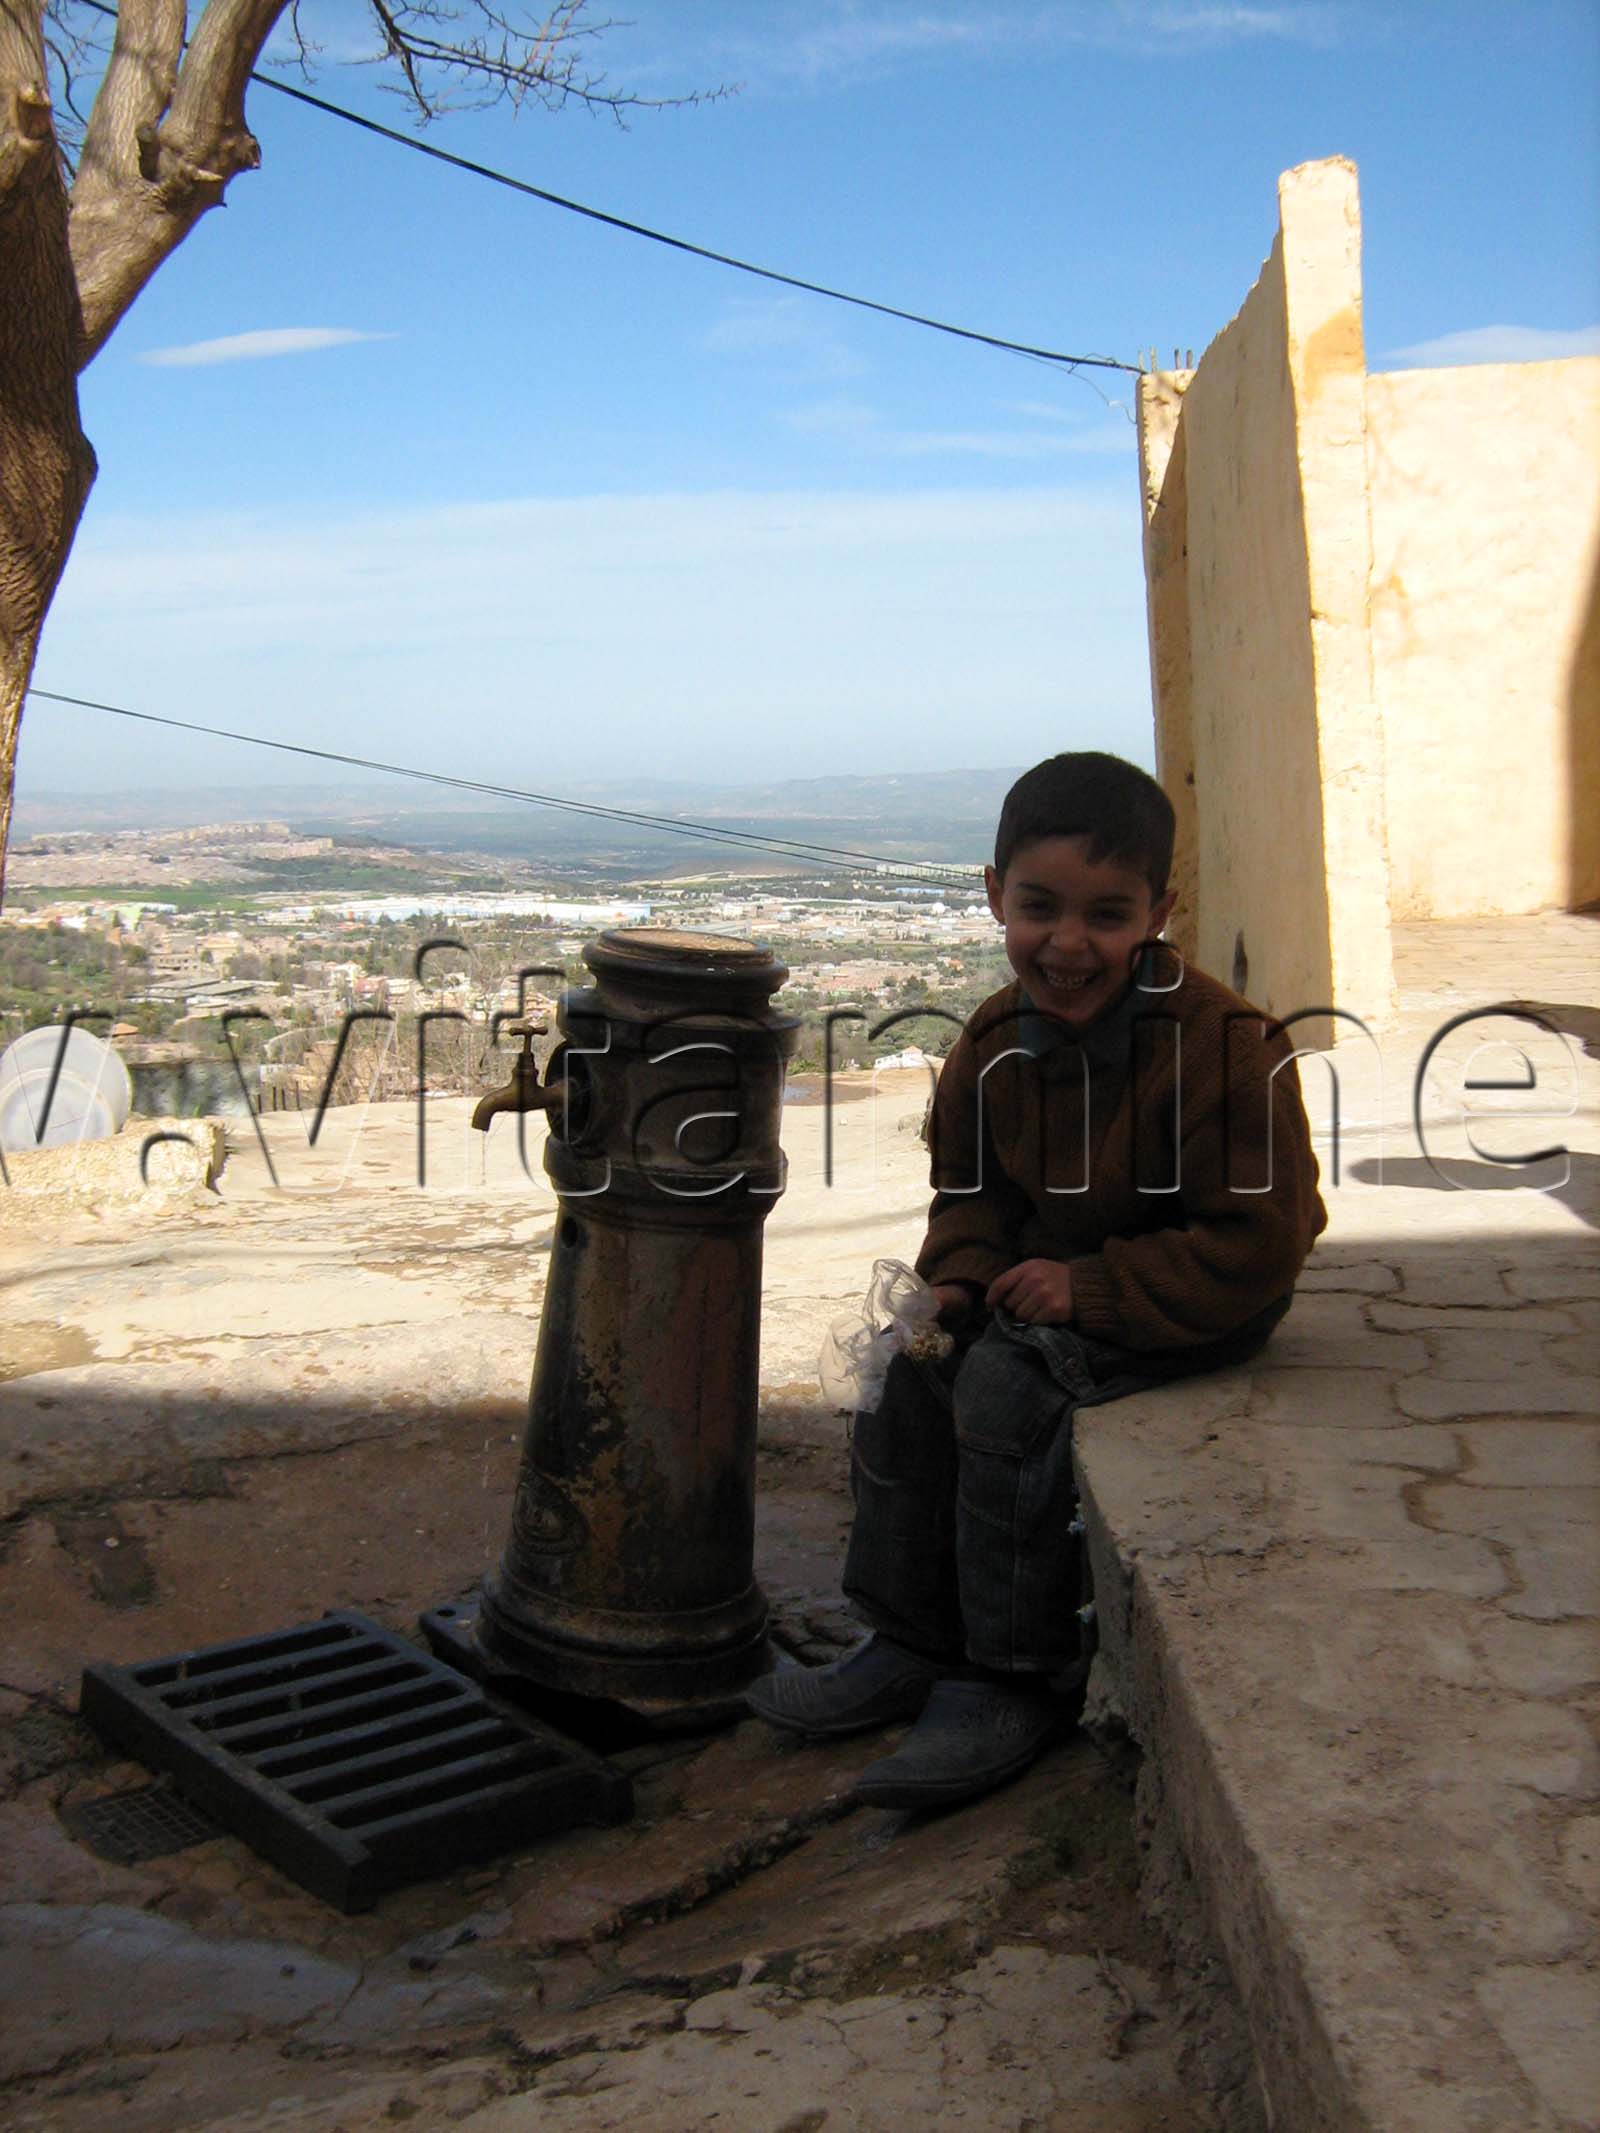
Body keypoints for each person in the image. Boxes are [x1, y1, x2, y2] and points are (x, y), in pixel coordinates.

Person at [746, 751, 1327, 1809]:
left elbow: (1263, 1240)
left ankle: (1016, 1674)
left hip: (1198, 1290)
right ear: (993, 896)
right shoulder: (991, 1041)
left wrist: (1089, 1290)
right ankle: (910, 1637)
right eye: (1039, 908)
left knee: (1007, 1390)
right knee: (912, 1368)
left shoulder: (1224, 1048)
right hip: (1043, 1280)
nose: (1067, 943)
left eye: (1106, 915)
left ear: (1158, 912)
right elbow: (970, 1195)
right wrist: (958, 1284)